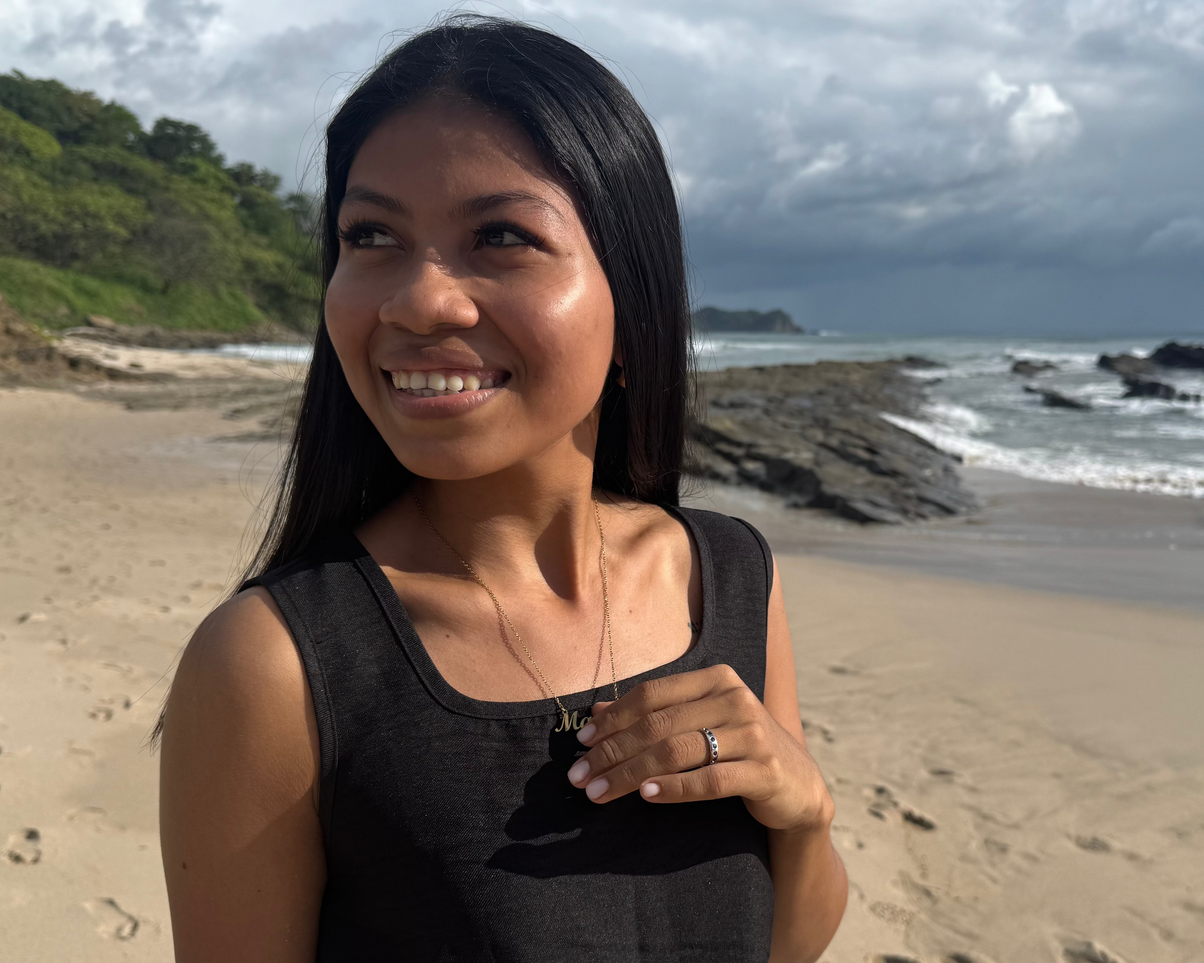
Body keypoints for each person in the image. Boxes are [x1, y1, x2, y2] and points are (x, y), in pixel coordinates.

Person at [156, 15, 848, 963]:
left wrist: (803, 809)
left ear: (629, 289)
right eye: (371, 235)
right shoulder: (275, 666)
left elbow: (786, 944)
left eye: (500, 235)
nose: (419, 300)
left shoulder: (728, 576)